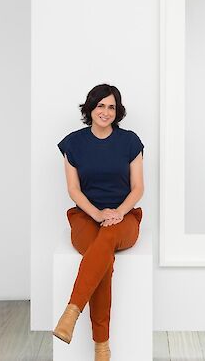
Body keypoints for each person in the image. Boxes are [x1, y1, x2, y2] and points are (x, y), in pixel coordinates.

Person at [52, 84, 144, 361]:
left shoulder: (130, 141)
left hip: (124, 217)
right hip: (86, 216)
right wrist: (97, 214)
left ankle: (71, 312)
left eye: (111, 107)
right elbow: (74, 190)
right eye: (100, 105)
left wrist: (117, 212)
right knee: (101, 256)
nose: (106, 112)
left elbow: (138, 188)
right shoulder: (73, 143)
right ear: (90, 108)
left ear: (117, 112)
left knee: (105, 241)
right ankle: (101, 348)